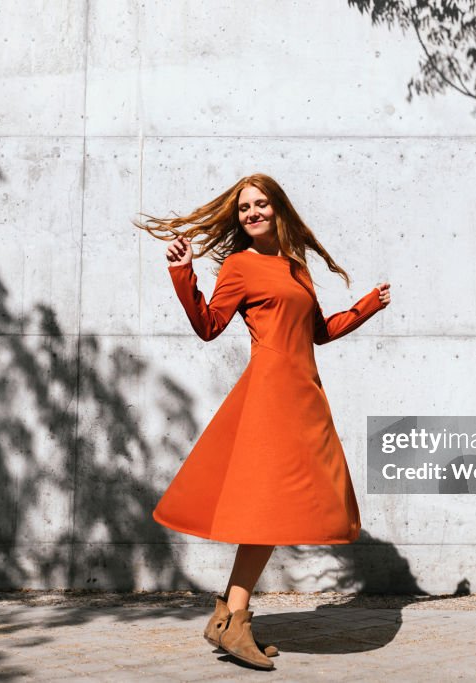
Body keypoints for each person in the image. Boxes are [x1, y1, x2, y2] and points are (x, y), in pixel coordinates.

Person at [134, 173, 391, 670]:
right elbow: (209, 327)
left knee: (277, 511)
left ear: (279, 210)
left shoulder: (296, 268)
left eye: (261, 204)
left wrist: (365, 308)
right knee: (268, 509)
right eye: (244, 208)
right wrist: (184, 274)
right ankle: (235, 619)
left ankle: (228, 619)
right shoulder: (238, 266)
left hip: (304, 394)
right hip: (270, 395)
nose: (252, 213)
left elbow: (318, 332)